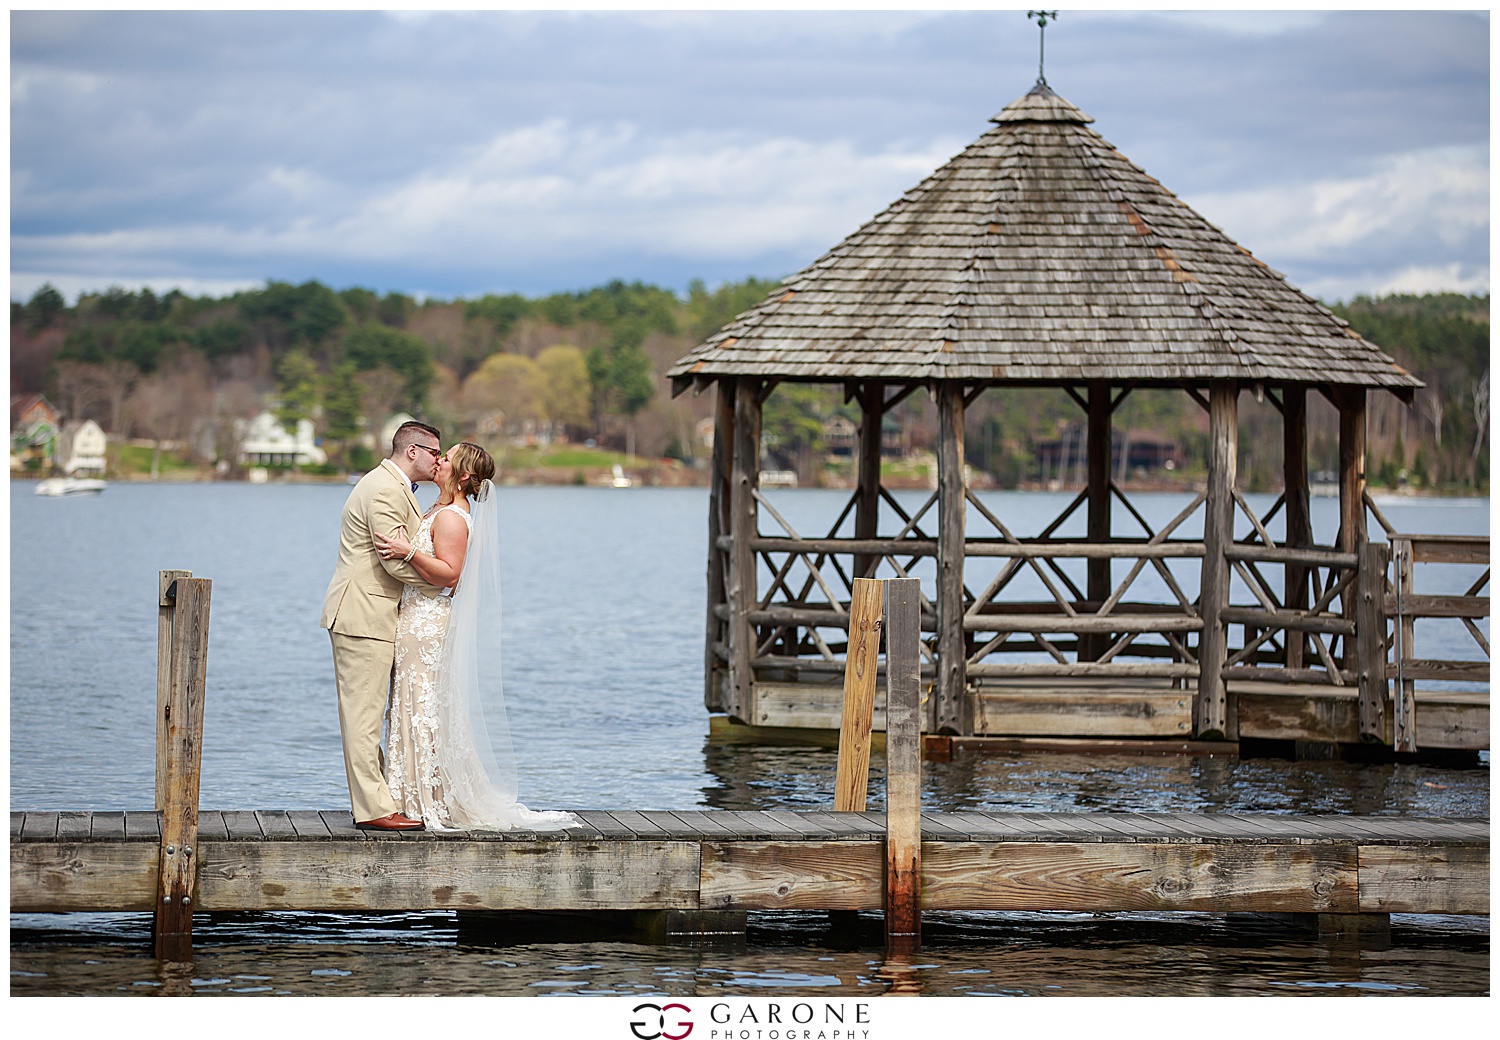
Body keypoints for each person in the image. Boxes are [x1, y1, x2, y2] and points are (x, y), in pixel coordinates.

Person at [375, 442, 575, 832]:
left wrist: (406, 551)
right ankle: (407, 794)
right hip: (415, 617)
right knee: (412, 705)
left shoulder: (451, 517)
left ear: (463, 475)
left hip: (427, 622)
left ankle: (424, 800)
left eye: (446, 458)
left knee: (422, 708)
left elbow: (451, 573)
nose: (439, 461)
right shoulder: (437, 508)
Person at [320, 420, 445, 832]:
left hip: (373, 612)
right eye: (434, 452)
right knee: (362, 716)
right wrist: (440, 581)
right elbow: (391, 559)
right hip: (361, 613)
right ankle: (373, 810)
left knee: (369, 713)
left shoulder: (392, 487)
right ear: (413, 451)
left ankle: (379, 801)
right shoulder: (384, 489)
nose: (438, 460)